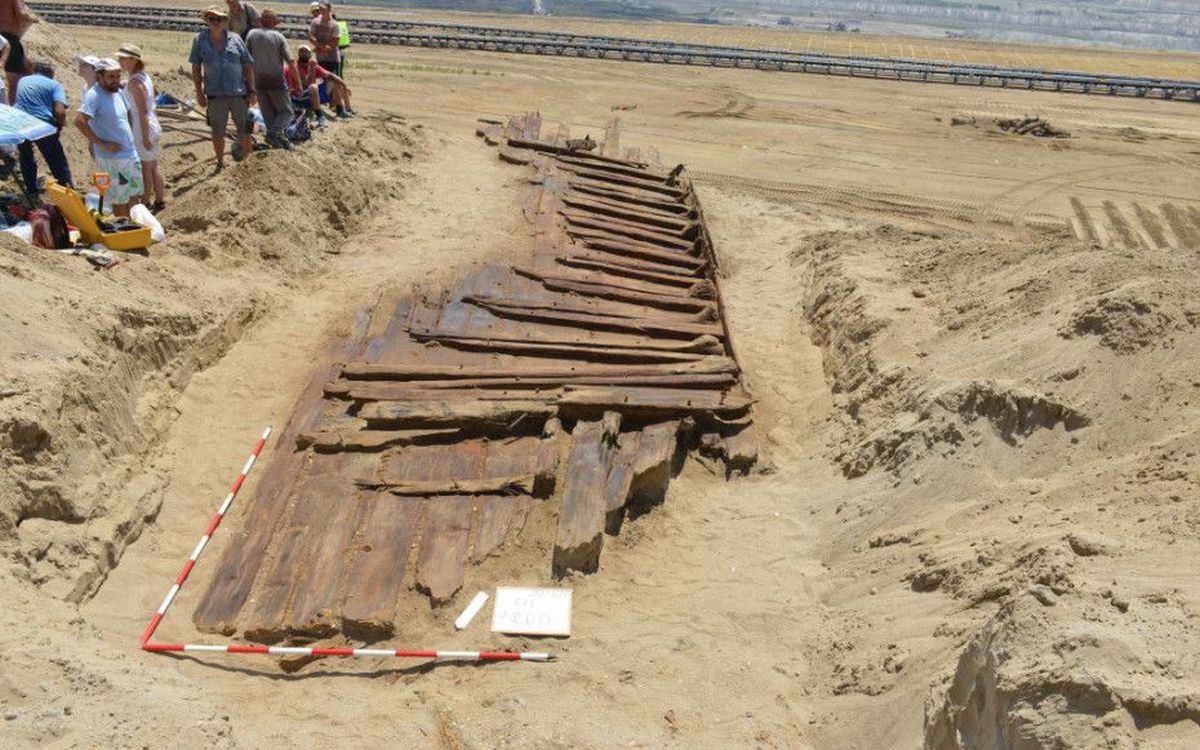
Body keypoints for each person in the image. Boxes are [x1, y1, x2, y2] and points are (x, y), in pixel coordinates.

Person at [189, 5, 256, 172]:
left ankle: (248, 164)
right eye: (212, 18)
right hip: (215, 94)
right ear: (206, 20)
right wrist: (199, 92)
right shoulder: (199, 40)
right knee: (217, 132)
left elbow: (247, 65)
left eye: (220, 19)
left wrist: (252, 90)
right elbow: (196, 68)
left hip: (238, 93)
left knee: (245, 131)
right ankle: (220, 163)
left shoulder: (236, 39)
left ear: (226, 21)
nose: (216, 22)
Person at [74, 58, 141, 218]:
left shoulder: (118, 92)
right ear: (99, 76)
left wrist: (128, 137)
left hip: (130, 153)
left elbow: (128, 113)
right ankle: (125, 227)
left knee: (134, 194)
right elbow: (79, 121)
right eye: (111, 76)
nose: (115, 80)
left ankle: (135, 226)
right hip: (112, 159)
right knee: (119, 199)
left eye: (117, 76)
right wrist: (101, 143)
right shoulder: (94, 96)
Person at [12, 60, 71, 199]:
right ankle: (67, 191)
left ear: (35, 70)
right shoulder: (54, 85)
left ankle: (31, 190)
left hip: (20, 123)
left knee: (26, 156)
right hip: (41, 125)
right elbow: (60, 111)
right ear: (50, 72)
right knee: (56, 160)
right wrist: (59, 126)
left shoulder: (23, 80)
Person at [117, 43, 164, 213]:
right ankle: (159, 199)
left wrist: (144, 137)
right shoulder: (142, 77)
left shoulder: (135, 82)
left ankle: (146, 202)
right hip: (150, 124)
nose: (119, 61)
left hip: (142, 126)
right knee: (153, 165)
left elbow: (142, 111)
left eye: (123, 58)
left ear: (133, 60)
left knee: (145, 167)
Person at [245, 7, 295, 150]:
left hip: (258, 81)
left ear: (262, 21)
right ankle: (273, 134)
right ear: (274, 22)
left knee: (269, 116)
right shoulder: (278, 36)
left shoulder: (251, 34)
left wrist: (248, 83)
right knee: (287, 112)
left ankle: (277, 142)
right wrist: (297, 83)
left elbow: (246, 60)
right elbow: (291, 62)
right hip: (276, 81)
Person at [288, 45, 352, 128]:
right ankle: (320, 116)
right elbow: (306, 83)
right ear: (298, 53)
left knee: (333, 82)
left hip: (312, 94)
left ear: (310, 54)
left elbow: (330, 75)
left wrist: (345, 86)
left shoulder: (313, 65)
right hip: (300, 96)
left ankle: (340, 110)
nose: (304, 53)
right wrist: (312, 68)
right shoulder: (295, 67)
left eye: (306, 51)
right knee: (313, 87)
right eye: (301, 51)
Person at [308, 1, 352, 117]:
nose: (319, 11)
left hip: (332, 58)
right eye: (318, 9)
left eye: (322, 9)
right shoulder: (315, 22)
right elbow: (311, 36)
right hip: (320, 58)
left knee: (335, 82)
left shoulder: (334, 24)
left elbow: (335, 42)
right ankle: (322, 106)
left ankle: (341, 108)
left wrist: (321, 48)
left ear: (329, 9)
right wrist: (321, 47)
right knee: (319, 81)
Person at [0, 0, 38, 104]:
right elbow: (21, 13)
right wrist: (33, 18)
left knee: (28, 68)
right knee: (15, 81)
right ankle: (13, 109)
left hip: (2, 37)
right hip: (9, 37)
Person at [334, 13, 349, 78]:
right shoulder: (342, 24)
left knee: (335, 69)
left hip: (335, 48)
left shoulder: (334, 25)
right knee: (340, 69)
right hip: (343, 47)